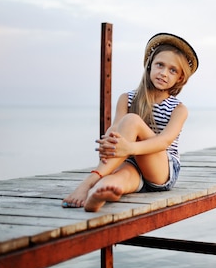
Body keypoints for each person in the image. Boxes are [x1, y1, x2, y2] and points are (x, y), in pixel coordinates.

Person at [62, 32, 198, 212]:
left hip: (162, 169)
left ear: (180, 78)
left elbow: (164, 142)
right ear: (149, 66)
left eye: (172, 70)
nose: (164, 73)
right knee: (119, 179)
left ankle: (89, 182)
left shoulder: (178, 109)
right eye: (160, 65)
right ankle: (98, 194)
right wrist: (108, 141)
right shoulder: (127, 98)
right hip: (131, 161)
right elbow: (117, 129)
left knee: (132, 120)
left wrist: (129, 148)